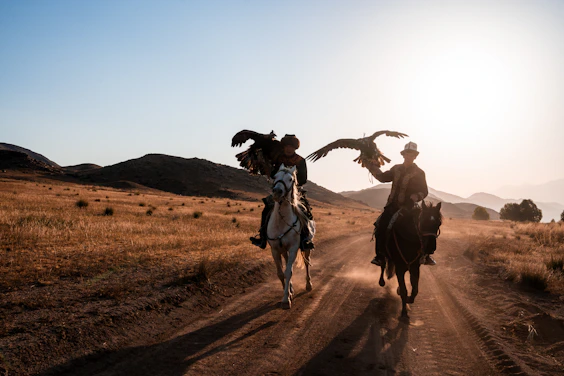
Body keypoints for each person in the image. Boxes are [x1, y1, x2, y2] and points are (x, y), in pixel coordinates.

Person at [361, 142, 435, 266]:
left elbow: (425, 191)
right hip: (392, 206)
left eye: (411, 154)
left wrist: (416, 196)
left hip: (410, 208)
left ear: (415, 156)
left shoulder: (419, 173)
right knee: (380, 226)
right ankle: (380, 256)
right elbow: (383, 177)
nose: (409, 156)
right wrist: (372, 166)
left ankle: (426, 255)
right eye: (407, 153)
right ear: (403, 154)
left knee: (425, 227)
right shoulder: (396, 169)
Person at [250, 134, 315, 250]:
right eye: (286, 146)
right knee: (266, 209)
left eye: (291, 147)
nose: (289, 149)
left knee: (305, 211)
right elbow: (274, 173)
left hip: (295, 192)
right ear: (283, 147)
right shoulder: (278, 159)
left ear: (295, 148)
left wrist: (292, 184)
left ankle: (305, 239)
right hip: (279, 190)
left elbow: (303, 179)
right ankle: (263, 237)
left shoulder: (300, 161)